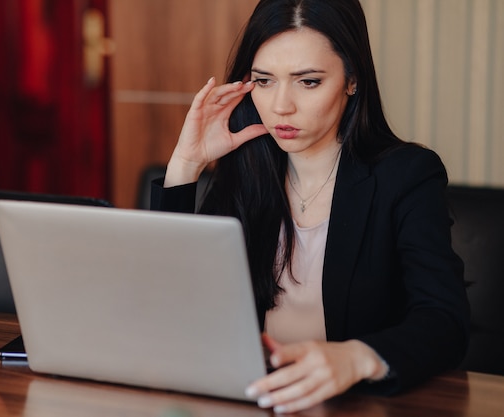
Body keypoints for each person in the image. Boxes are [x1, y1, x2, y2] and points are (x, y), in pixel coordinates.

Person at [150, 0, 470, 413]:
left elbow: (445, 322)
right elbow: (168, 306)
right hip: (249, 403)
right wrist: (187, 164)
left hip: (353, 407)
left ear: (352, 79)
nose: (281, 105)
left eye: (308, 82)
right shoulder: (247, 170)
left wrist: (355, 357)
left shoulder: (406, 176)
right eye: (264, 81)